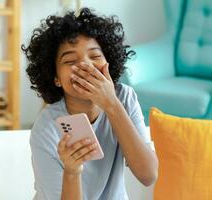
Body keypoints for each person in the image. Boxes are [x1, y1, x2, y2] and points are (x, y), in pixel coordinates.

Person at [22, 7, 158, 200]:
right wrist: (72, 171)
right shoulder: (46, 129)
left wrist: (111, 103)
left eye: (95, 56)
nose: (85, 65)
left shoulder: (124, 98)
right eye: (70, 61)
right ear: (56, 78)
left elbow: (148, 175)